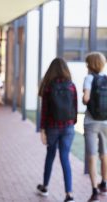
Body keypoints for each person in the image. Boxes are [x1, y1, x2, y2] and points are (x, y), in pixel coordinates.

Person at [37, 58, 77, 202]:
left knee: (50, 155)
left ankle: (45, 187)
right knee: (65, 158)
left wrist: (42, 130)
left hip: (52, 127)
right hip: (68, 127)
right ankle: (69, 194)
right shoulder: (71, 86)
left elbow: (45, 111)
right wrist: (72, 124)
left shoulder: (48, 87)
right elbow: (75, 107)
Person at [82, 52, 107, 202]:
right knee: (105, 154)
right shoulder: (106, 79)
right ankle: (104, 183)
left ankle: (94, 190)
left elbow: (86, 98)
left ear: (90, 65)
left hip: (91, 122)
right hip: (106, 122)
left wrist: (85, 100)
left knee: (91, 155)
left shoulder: (89, 78)